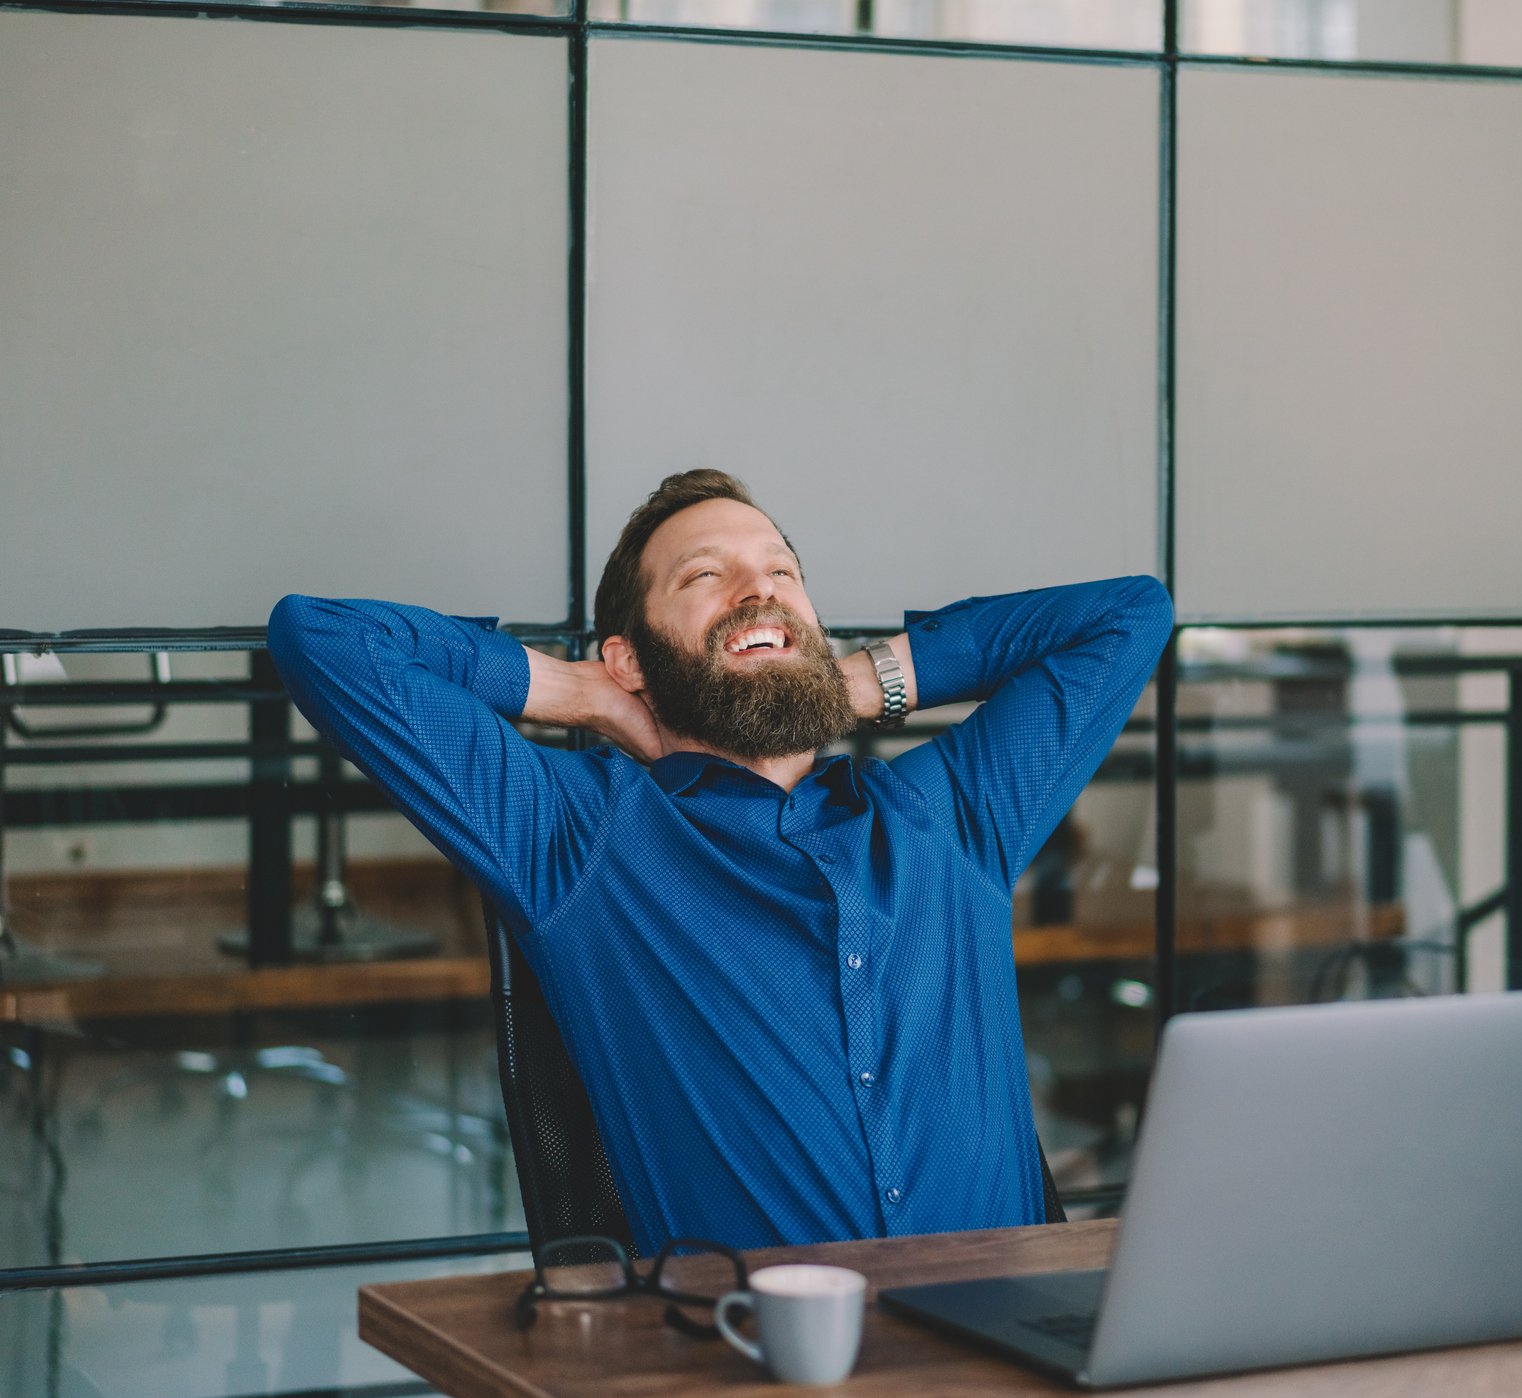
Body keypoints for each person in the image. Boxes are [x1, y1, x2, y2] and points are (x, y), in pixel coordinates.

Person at [267, 469, 1171, 1250]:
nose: (759, 591)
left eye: (782, 573)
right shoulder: (575, 837)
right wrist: (579, 691)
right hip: (753, 1373)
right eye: (709, 575)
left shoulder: (949, 815)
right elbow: (323, 638)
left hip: (1012, 1364)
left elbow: (1132, 614)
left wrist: (853, 679)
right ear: (630, 655)